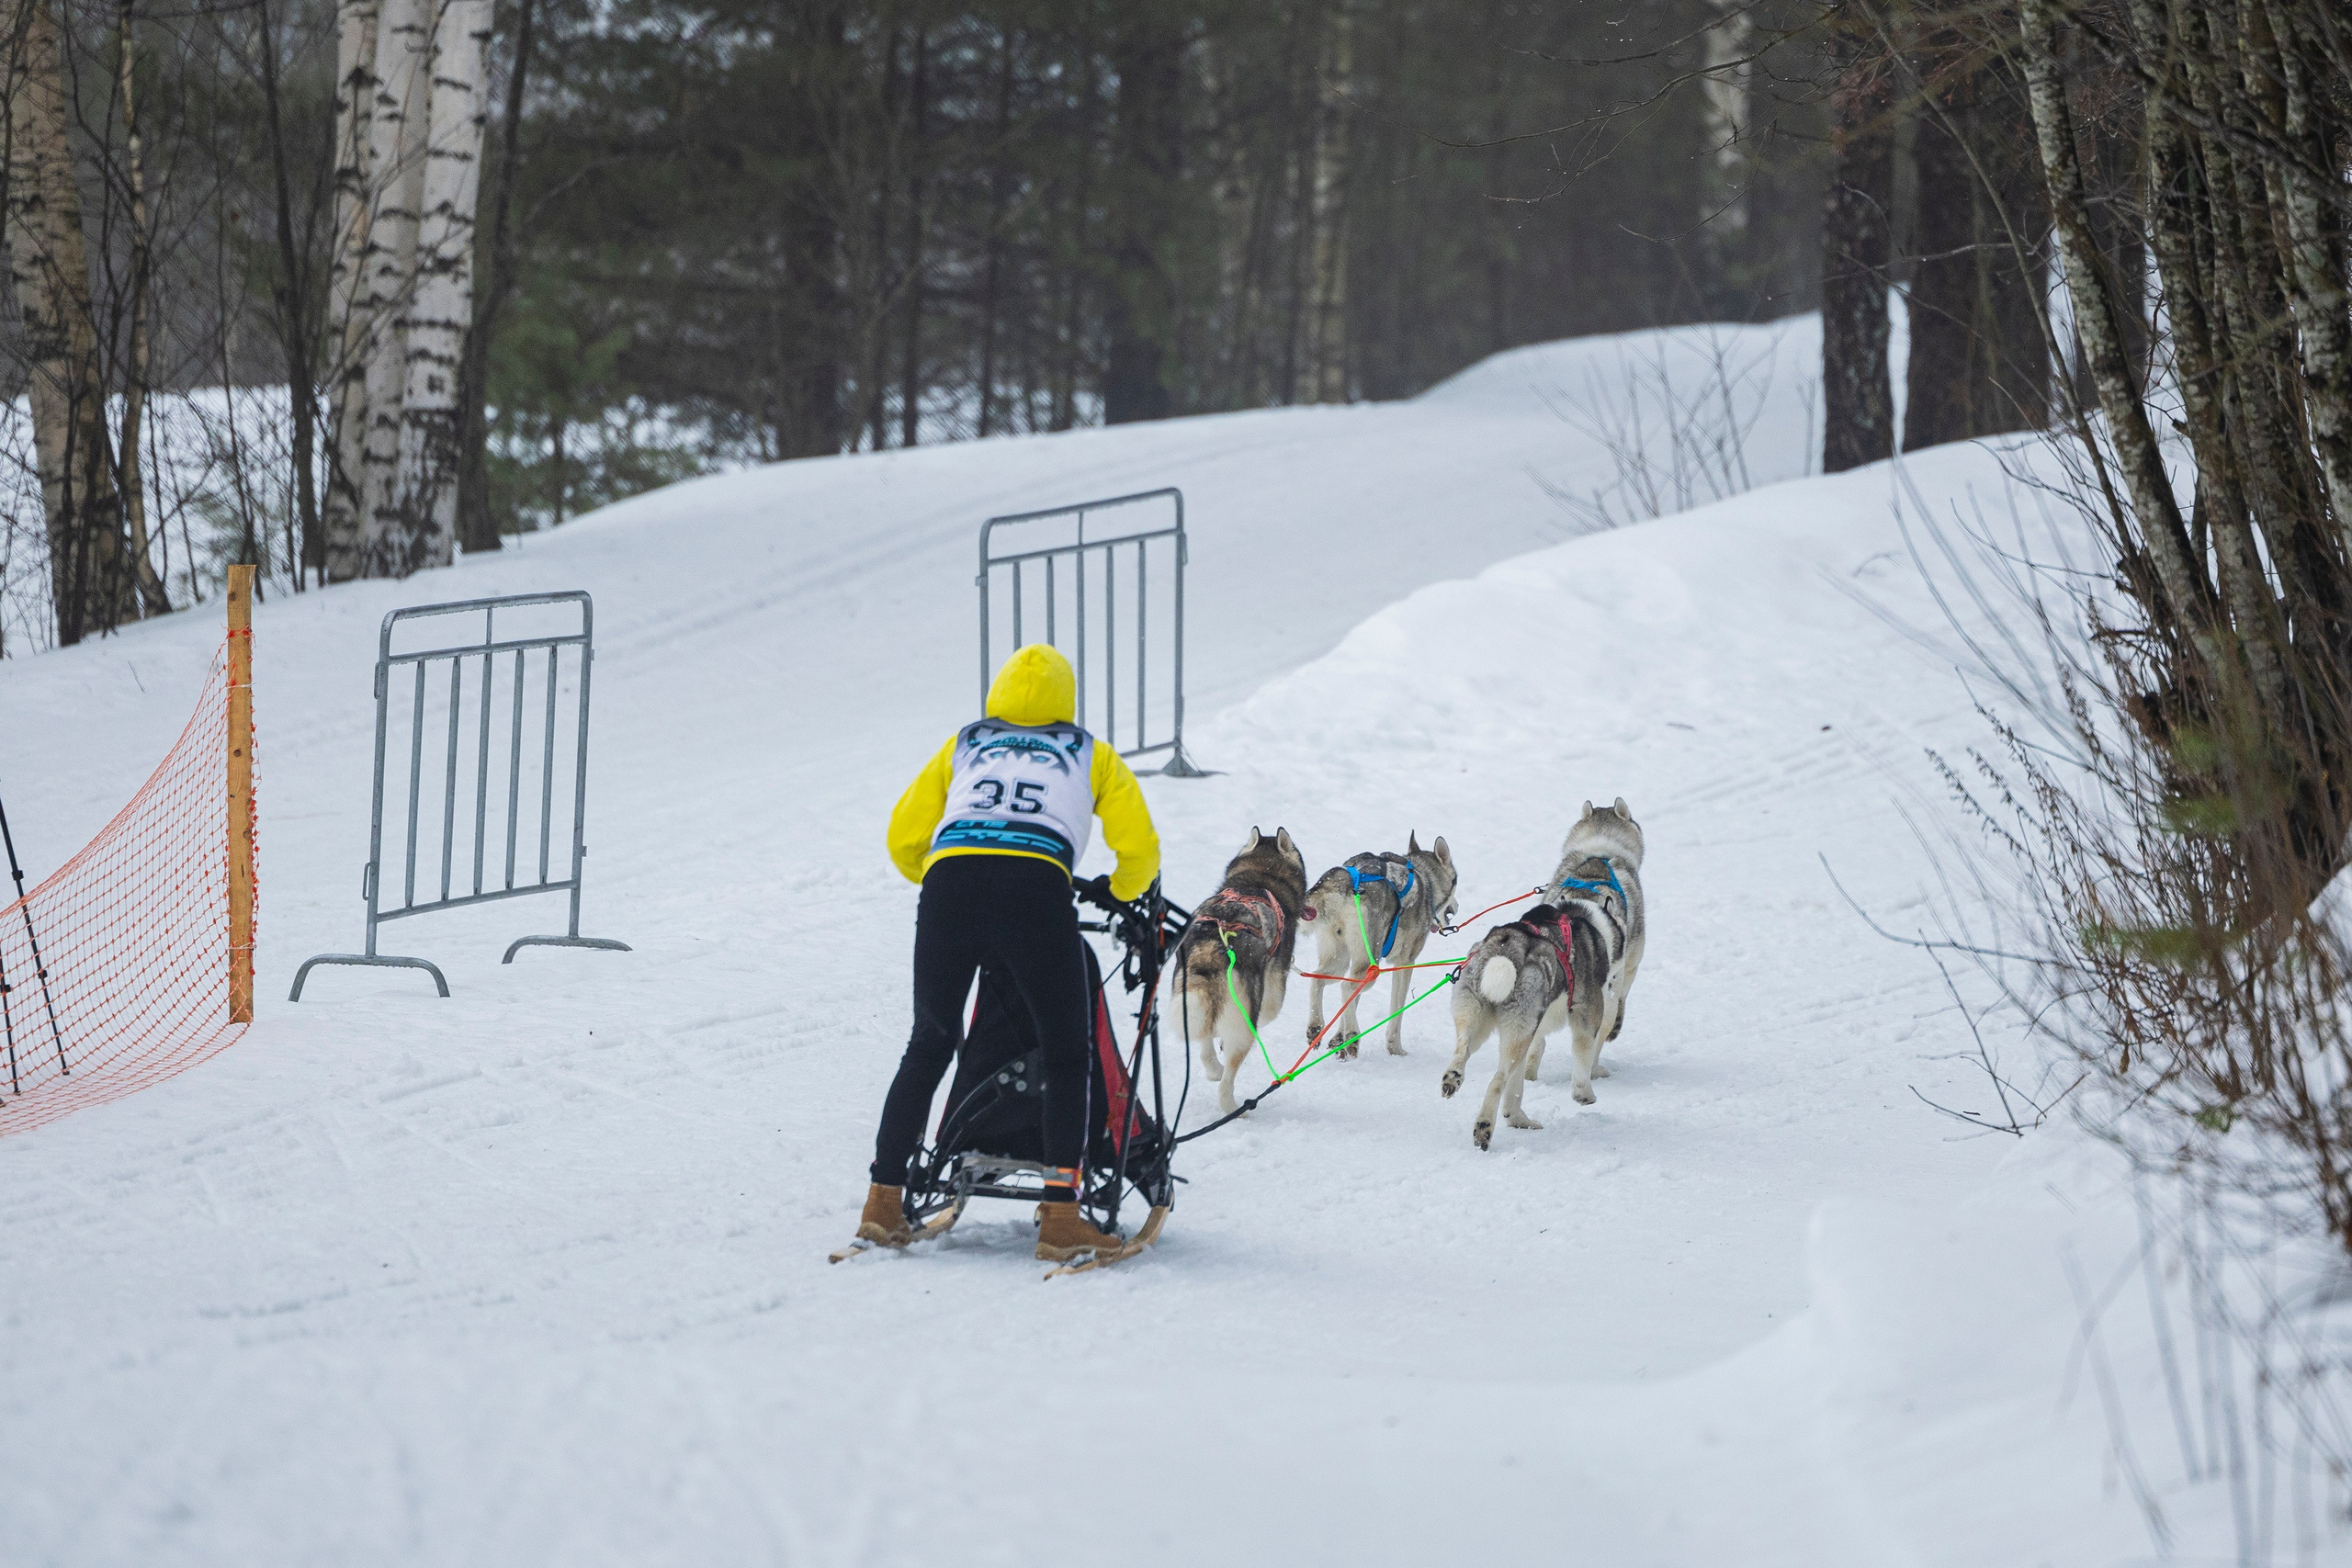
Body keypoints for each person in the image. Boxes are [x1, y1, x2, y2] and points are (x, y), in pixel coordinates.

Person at [856, 643, 1160, 1262]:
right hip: (1033, 888)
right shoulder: (1088, 752)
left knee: (930, 1040)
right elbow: (1140, 849)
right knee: (1065, 1050)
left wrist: (951, 877)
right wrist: (1118, 891)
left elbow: (902, 837)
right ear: (1065, 700)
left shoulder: (966, 743)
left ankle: (882, 1202)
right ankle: (1061, 1216)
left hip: (951, 883)